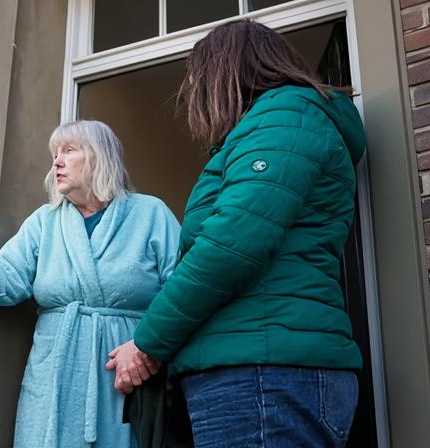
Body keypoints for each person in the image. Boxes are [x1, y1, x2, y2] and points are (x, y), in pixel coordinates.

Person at [107, 19, 365, 448]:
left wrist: (148, 344)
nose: (195, 95)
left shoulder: (284, 119)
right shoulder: (274, 128)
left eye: (198, 80)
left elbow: (227, 249)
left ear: (226, 72)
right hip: (263, 375)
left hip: (264, 376)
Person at [0, 120, 181, 447]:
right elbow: (9, 273)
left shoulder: (150, 214)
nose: (57, 162)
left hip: (125, 370)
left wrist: (151, 347)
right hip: (54, 374)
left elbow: (181, 288)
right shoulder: (44, 222)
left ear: (98, 157)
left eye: (68, 151)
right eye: (54, 154)